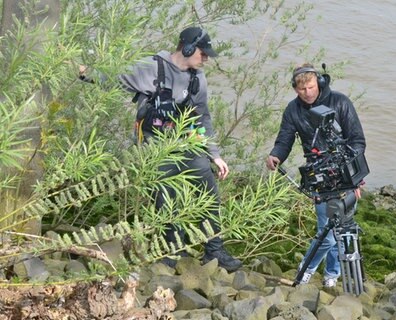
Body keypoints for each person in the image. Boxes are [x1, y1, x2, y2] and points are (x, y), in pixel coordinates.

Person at [117, 26, 242, 272]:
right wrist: (81, 72)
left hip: (186, 143)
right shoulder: (150, 68)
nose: (206, 58)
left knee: (208, 193)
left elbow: (203, 118)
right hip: (155, 145)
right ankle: (170, 251)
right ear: (187, 48)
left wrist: (214, 155)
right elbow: (111, 76)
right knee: (167, 197)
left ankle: (214, 249)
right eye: (203, 53)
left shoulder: (198, 78)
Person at [266, 63, 366, 288]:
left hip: (346, 174)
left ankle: (332, 274)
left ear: (319, 83)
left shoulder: (340, 102)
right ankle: (307, 269)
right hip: (319, 175)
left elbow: (358, 141)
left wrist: (353, 175)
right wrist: (275, 155)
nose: (307, 93)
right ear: (295, 89)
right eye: (302, 90)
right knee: (327, 232)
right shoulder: (293, 110)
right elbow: (285, 139)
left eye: (311, 87)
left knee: (342, 229)